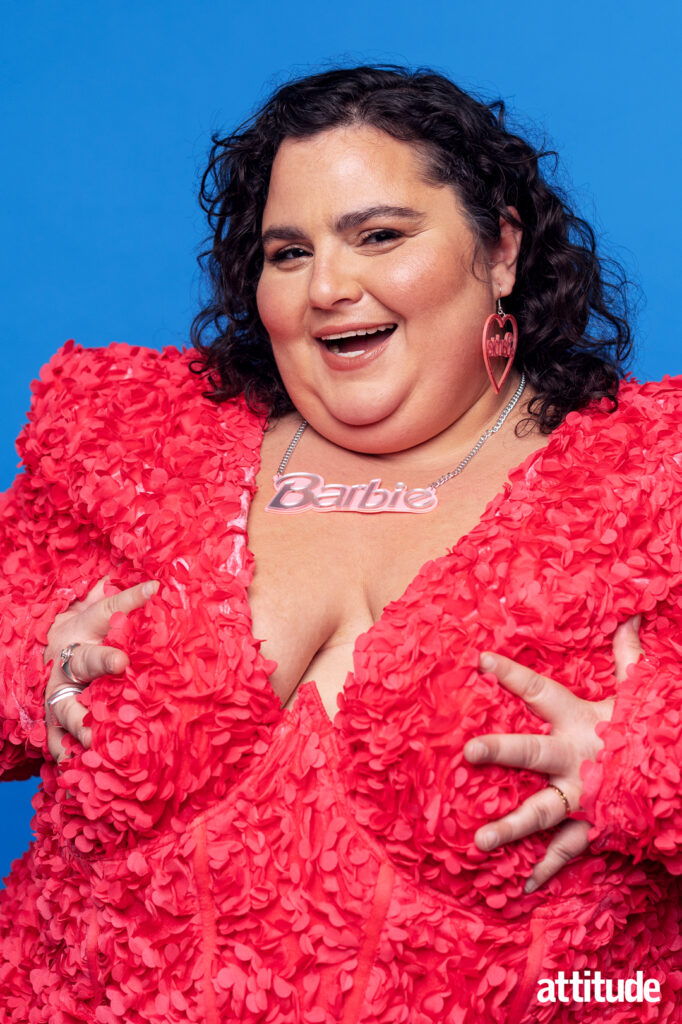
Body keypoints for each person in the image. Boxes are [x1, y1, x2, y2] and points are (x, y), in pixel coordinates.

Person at [0, 65, 680, 1023]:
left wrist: (644, 759)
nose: (328, 285)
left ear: (502, 251)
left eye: (379, 236)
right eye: (288, 252)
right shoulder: (136, 445)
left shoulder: (655, 481)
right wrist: (31, 661)